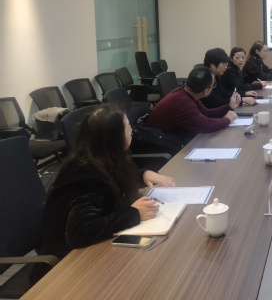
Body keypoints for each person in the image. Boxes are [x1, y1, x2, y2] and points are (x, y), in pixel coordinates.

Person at [39, 105, 175, 259]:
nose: (131, 130)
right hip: (68, 259)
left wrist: (142, 175)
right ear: (115, 137)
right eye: (128, 127)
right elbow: (80, 232)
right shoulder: (87, 175)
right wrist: (134, 214)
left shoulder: (99, 156)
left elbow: (112, 181)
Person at [147, 66, 239, 139]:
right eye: (213, 85)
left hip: (172, 136)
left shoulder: (186, 93)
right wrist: (227, 120)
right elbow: (205, 125)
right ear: (206, 91)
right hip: (160, 143)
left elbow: (206, 113)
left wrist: (229, 106)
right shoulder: (182, 102)